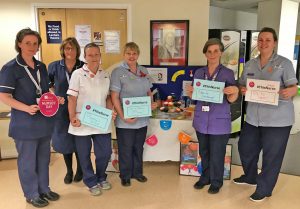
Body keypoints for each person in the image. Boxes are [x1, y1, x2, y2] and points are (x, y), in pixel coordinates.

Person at [0, 28, 63, 207]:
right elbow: (3, 96)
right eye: (28, 43)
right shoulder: (10, 68)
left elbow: (44, 90)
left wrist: (54, 97)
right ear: (19, 44)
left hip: (43, 122)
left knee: (44, 159)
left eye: (35, 43)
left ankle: (44, 188)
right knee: (27, 161)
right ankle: (31, 193)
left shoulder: (41, 66)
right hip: (25, 124)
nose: (32, 47)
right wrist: (26, 108)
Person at [234, 27, 298, 202]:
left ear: (274, 43)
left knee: (272, 156)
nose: (263, 43)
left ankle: (264, 188)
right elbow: (240, 85)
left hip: (278, 120)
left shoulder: (284, 64)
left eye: (267, 40)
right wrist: (242, 89)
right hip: (254, 118)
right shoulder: (249, 64)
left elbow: (293, 87)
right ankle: (250, 177)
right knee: (245, 148)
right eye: (260, 40)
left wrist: (291, 91)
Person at [186, 38, 239, 194]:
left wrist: (234, 92)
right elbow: (194, 98)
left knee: (217, 153)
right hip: (202, 120)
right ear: (205, 54)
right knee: (204, 151)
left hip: (219, 121)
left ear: (221, 52)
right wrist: (190, 93)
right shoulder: (199, 72)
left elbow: (231, 100)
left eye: (216, 51)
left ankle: (216, 181)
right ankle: (205, 177)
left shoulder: (228, 73)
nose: (212, 54)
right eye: (209, 51)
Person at [67, 42, 116, 196]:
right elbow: (72, 99)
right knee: (84, 154)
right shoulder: (78, 74)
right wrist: (72, 117)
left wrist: (110, 111)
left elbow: (108, 97)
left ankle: (101, 177)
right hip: (82, 120)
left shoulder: (105, 74)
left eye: (97, 54)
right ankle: (90, 180)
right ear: (85, 57)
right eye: (90, 55)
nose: (94, 57)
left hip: (101, 120)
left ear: (100, 56)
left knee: (105, 153)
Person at [110, 42, 157, 187]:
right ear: (124, 55)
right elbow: (114, 96)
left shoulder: (143, 70)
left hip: (142, 119)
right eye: (128, 53)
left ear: (138, 55)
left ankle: (138, 172)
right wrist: (123, 116)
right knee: (125, 148)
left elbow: (149, 91)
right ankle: (125, 175)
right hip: (125, 120)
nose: (131, 56)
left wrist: (151, 104)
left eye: (134, 53)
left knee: (138, 147)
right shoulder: (117, 72)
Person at [48, 37, 84, 184]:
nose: (70, 51)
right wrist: (54, 96)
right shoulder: (54, 66)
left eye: (73, 48)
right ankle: (69, 170)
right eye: (67, 48)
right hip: (61, 109)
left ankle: (80, 169)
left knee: (80, 140)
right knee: (64, 140)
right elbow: (48, 86)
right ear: (63, 50)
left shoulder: (83, 66)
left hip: (80, 108)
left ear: (77, 50)